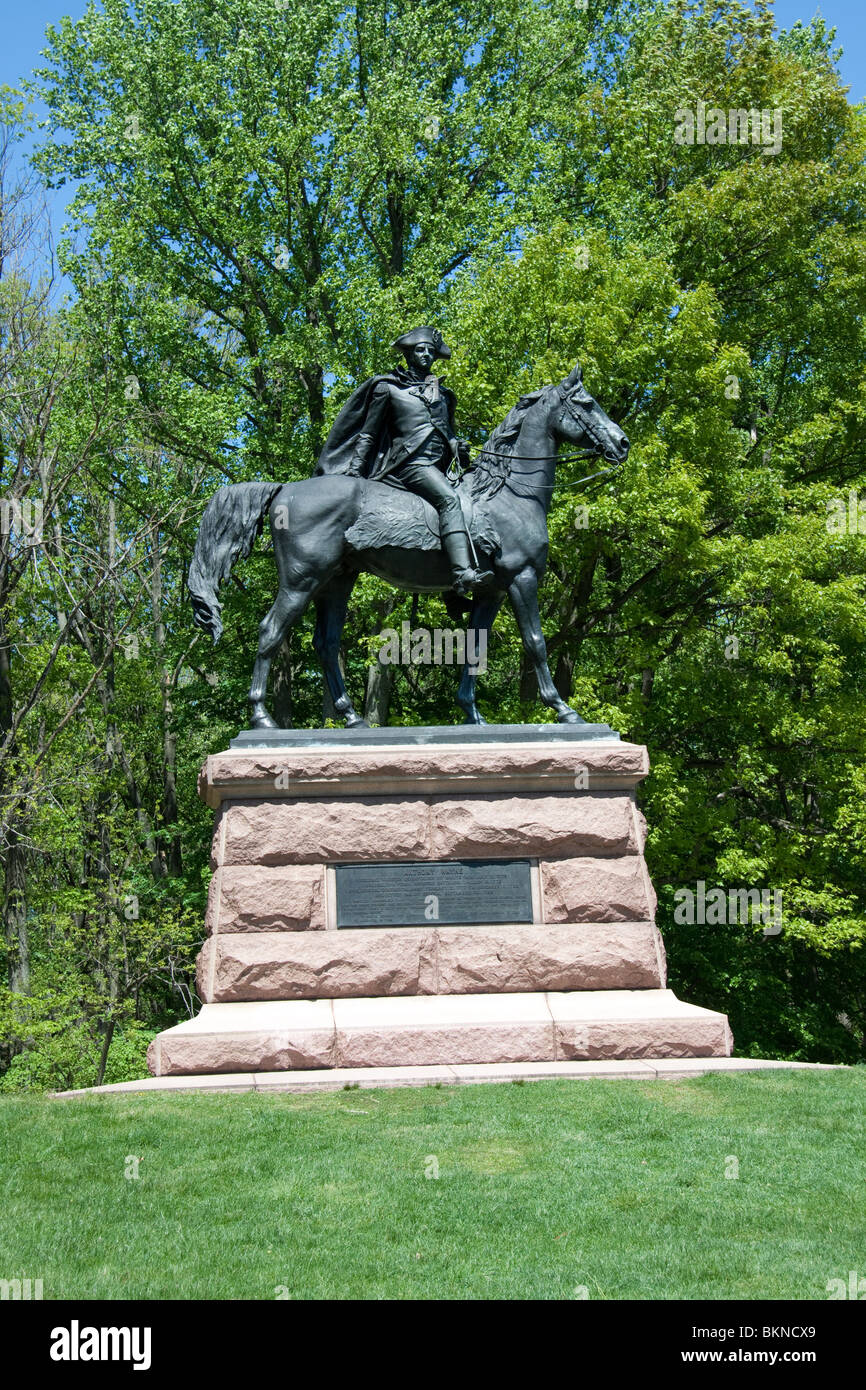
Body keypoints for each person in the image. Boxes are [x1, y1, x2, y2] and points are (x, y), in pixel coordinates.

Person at [314, 326, 488, 594]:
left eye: (431, 351)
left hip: (439, 468)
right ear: (408, 354)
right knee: (450, 501)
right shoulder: (389, 388)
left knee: (470, 506)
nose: (426, 355)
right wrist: (355, 472)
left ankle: (450, 593)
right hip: (409, 466)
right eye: (420, 350)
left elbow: (447, 433)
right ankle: (461, 573)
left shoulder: (442, 394)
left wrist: (457, 447)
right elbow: (369, 434)